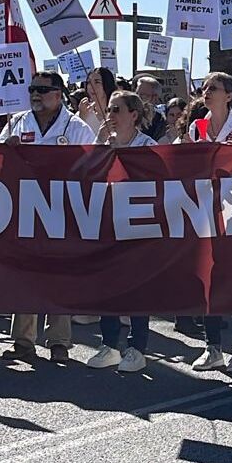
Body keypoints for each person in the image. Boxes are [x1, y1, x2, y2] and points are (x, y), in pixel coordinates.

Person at [0, 71, 96, 362]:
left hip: (61, 209)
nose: (35, 94)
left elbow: (90, 165)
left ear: (59, 93)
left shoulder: (77, 128)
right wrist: (7, 148)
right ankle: (23, 341)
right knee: (25, 273)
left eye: (42, 89)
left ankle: (59, 341)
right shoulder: (17, 122)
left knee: (58, 274)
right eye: (32, 89)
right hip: (25, 207)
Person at [177, 72, 232, 372]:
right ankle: (213, 347)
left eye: (214, 88)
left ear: (230, 95)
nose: (206, 92)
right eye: (204, 87)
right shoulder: (195, 127)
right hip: (203, 210)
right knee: (208, 278)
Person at [86, 90, 156, 373]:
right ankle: (110, 344)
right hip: (107, 223)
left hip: (139, 225)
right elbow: (85, 174)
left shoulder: (147, 145)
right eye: (110, 109)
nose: (110, 115)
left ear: (133, 115)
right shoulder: (102, 142)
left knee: (137, 288)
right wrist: (101, 144)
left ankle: (137, 348)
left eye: (117, 110)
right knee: (107, 286)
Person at [79, 67, 116, 133]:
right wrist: (81, 118)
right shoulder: (83, 113)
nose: (92, 86)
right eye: (89, 82)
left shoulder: (118, 112)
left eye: (97, 82)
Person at [134, 75, 168, 142]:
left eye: (143, 95)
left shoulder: (161, 121)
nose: (138, 98)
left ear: (155, 97)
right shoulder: (129, 115)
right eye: (137, 94)